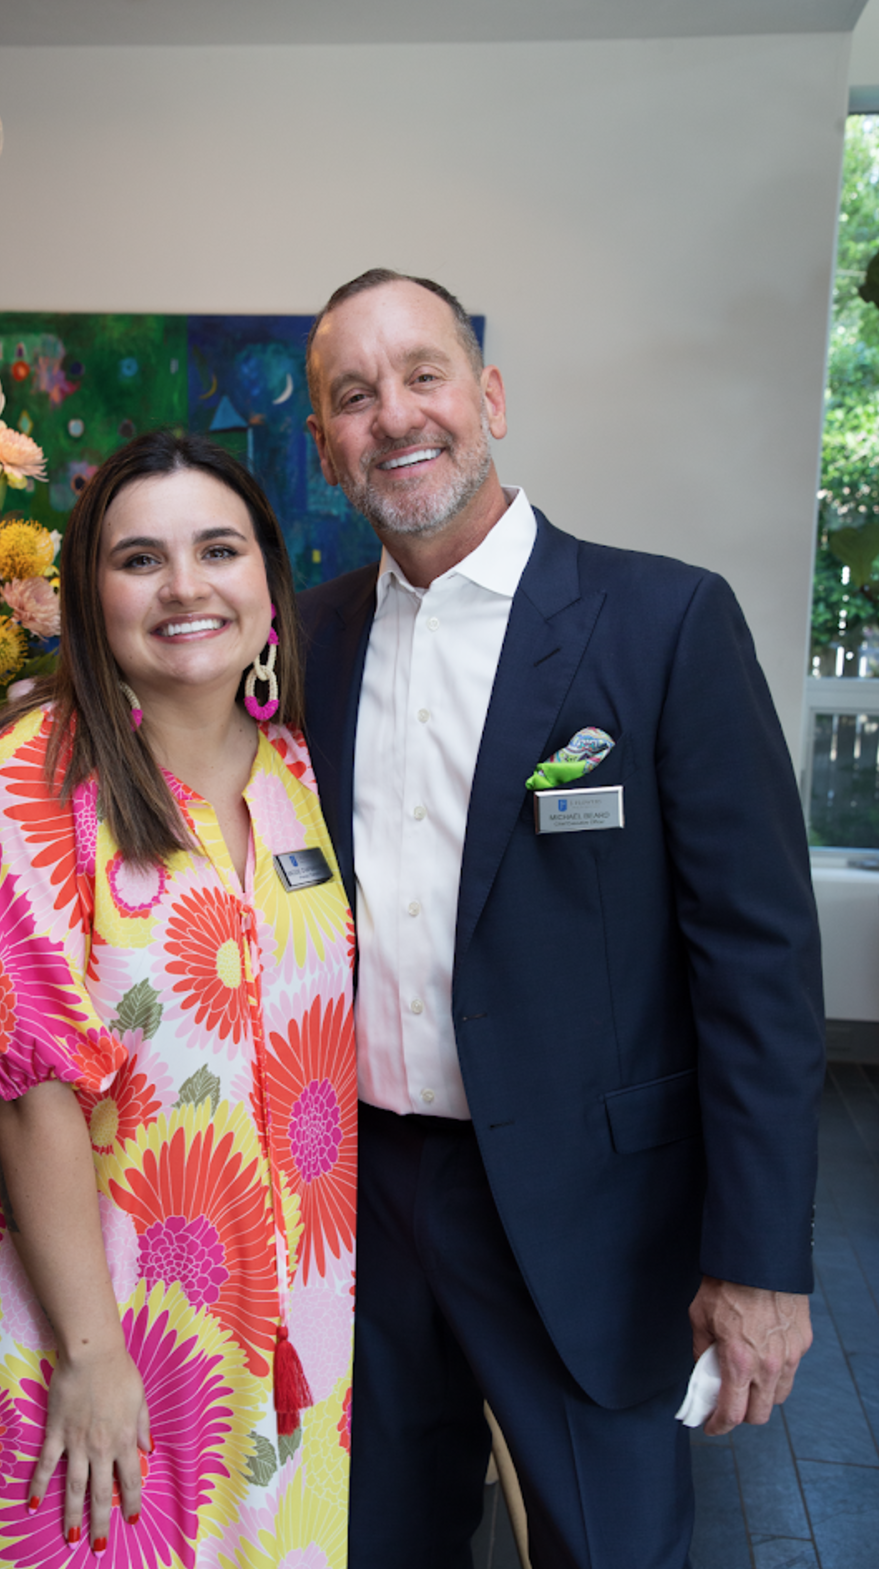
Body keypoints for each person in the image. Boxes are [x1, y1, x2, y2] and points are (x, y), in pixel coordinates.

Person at [299, 268, 825, 1569]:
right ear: (322, 446)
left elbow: (758, 969)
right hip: (355, 1195)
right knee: (372, 1545)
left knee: (609, 1549)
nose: (394, 416)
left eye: (422, 374)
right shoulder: (302, 642)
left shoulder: (661, 623)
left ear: (487, 394)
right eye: (352, 396)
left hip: (591, 1212)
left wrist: (757, 1259)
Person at [0, 430, 356, 1569]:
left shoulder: (297, 774)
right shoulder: (30, 781)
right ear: (87, 592)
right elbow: (27, 1092)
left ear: (266, 575)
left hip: (284, 1324)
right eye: (139, 559)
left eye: (218, 548)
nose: (186, 586)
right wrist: (95, 1355)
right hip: (77, 1326)